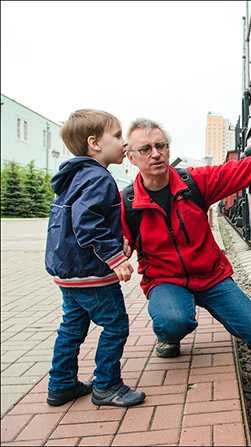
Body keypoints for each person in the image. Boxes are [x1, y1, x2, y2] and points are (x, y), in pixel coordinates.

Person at [122, 118, 251, 446]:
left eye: (161, 146)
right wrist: (117, 252)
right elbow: (113, 242)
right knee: (175, 320)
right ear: (132, 157)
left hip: (212, 278)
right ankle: (168, 337)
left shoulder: (193, 182)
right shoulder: (127, 203)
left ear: (169, 149)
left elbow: (241, 170)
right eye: (146, 149)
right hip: (165, 281)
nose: (156, 154)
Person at [45, 109, 146, 408]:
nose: (124, 142)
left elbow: (79, 223)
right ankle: (107, 385)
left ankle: (61, 384)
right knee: (116, 325)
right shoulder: (98, 178)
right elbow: (87, 222)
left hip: (68, 273)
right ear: (94, 143)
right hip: (92, 275)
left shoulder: (74, 177)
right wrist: (115, 257)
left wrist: (116, 244)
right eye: (116, 136)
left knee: (72, 328)